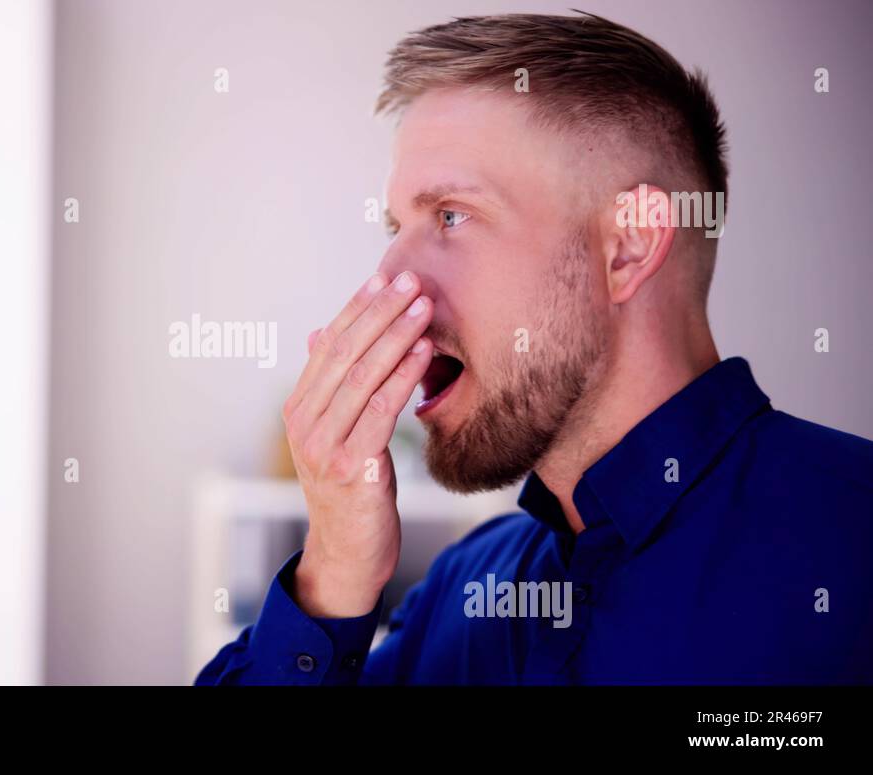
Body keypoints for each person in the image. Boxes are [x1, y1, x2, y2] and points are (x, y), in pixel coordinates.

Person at [196, 12, 873, 685]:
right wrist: (334, 573)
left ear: (629, 245)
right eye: (396, 225)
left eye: (452, 215)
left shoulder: (853, 542)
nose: (387, 281)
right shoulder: (459, 590)